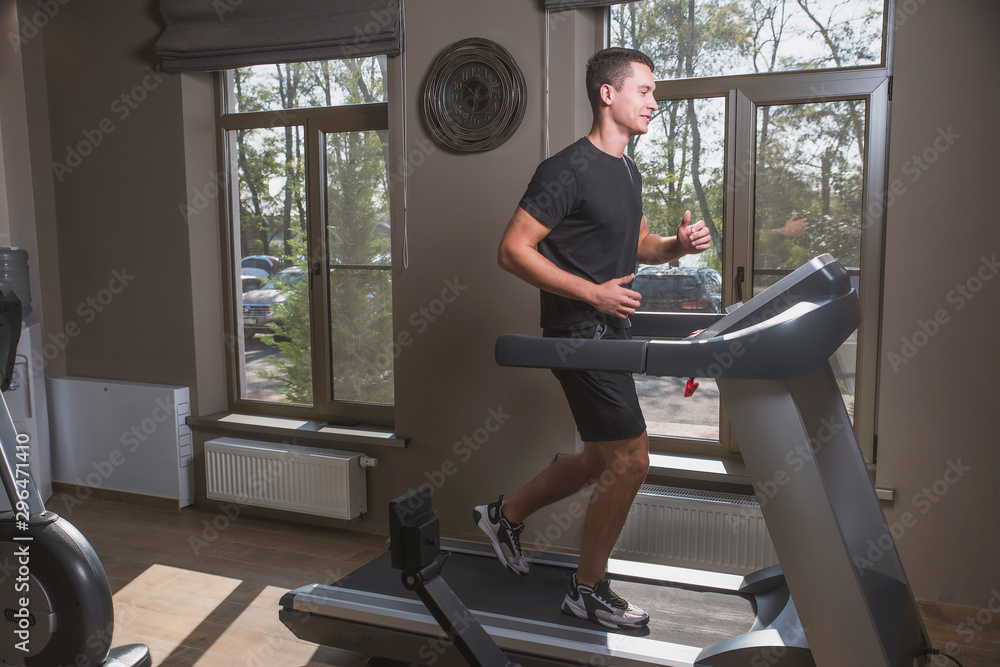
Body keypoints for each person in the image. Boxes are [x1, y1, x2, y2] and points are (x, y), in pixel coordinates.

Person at [474, 47, 712, 630]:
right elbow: (512, 250)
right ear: (609, 94)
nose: (655, 101)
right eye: (646, 91)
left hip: (610, 331)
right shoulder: (566, 169)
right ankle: (587, 590)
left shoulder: (628, 169)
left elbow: (639, 246)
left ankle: (503, 516)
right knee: (631, 461)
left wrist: (678, 246)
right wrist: (592, 293)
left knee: (597, 459)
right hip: (578, 332)